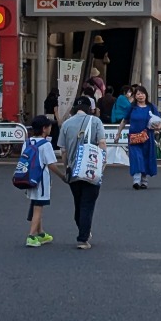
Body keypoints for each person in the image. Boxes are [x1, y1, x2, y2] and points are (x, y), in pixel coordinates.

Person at [59, 97, 108, 249]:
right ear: (89, 108)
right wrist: (102, 164)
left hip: (74, 170)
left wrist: (66, 167)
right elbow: (102, 144)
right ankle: (83, 238)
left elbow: (63, 151)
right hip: (91, 169)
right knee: (88, 204)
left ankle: (84, 231)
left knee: (79, 204)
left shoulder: (66, 123)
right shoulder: (95, 121)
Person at [23, 116, 68, 248]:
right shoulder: (45, 144)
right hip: (41, 180)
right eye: (49, 127)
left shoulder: (27, 142)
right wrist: (62, 176)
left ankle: (40, 232)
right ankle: (31, 236)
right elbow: (51, 164)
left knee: (36, 203)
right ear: (44, 129)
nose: (50, 129)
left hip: (29, 177)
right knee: (38, 207)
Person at [114, 85, 161, 189]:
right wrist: (118, 133)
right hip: (134, 137)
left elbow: (159, 120)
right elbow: (124, 120)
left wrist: (157, 127)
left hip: (148, 137)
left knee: (146, 157)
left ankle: (144, 181)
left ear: (146, 95)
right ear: (135, 96)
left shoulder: (151, 107)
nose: (140, 96)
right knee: (136, 157)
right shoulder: (132, 107)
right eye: (138, 94)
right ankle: (136, 180)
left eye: (142, 93)